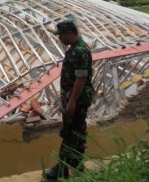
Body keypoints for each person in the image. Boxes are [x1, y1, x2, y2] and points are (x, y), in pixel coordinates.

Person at [44, 20, 94, 180]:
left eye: (61, 35)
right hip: (72, 99)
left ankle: (61, 169)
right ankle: (75, 168)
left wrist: (72, 102)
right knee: (76, 133)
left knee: (71, 133)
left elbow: (80, 79)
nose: (60, 39)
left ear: (70, 33)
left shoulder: (80, 51)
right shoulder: (74, 49)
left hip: (77, 101)